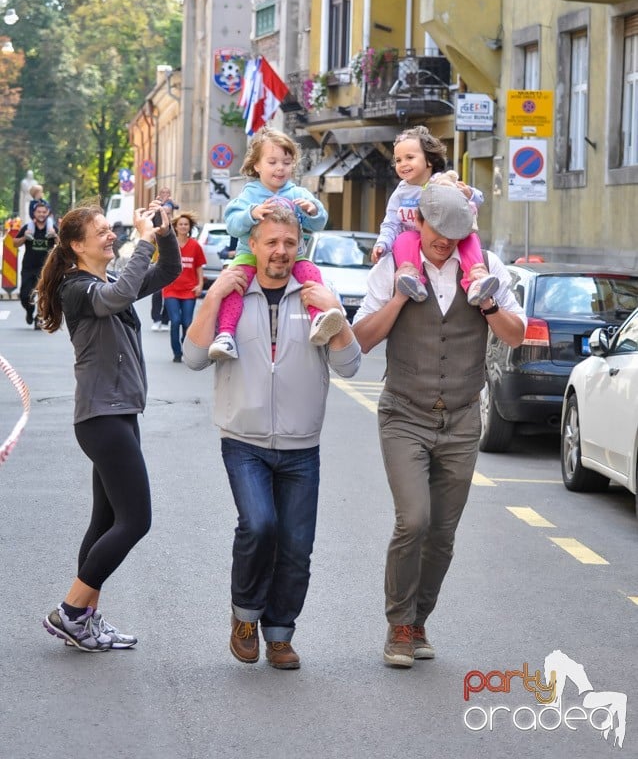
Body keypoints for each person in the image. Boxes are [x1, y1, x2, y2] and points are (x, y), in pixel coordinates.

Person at [352, 184, 526, 668]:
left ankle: (420, 618)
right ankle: (398, 625)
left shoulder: (487, 269)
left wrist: (489, 305)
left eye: (456, 234)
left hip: (463, 418)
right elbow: (361, 339)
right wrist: (399, 300)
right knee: (415, 520)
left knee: (443, 533)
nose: (445, 242)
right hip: (404, 413)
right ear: (419, 224)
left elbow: (516, 335)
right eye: (437, 232)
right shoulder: (393, 265)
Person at [183, 204, 361, 669]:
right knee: (259, 526)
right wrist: (212, 296)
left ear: (299, 244)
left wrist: (336, 315)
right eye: (271, 242)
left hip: (303, 445)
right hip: (244, 439)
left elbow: (350, 365)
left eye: (289, 242)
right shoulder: (234, 294)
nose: (280, 251)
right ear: (254, 246)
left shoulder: (317, 293)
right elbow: (195, 358)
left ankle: (280, 633)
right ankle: (244, 617)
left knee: (297, 546)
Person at [36, 200, 181, 652]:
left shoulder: (108, 280)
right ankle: (72, 611)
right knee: (136, 520)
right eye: (100, 231)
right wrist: (141, 243)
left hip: (118, 415)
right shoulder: (76, 288)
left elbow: (168, 272)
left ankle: (86, 619)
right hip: (101, 418)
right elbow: (116, 300)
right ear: (77, 245)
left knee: (106, 520)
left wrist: (164, 232)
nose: (109, 234)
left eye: (108, 227)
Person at [207, 127, 343, 361]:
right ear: (257, 165)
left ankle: (318, 318)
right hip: (248, 255)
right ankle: (226, 335)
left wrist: (313, 210)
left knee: (311, 273)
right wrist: (252, 213)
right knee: (234, 283)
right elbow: (232, 224)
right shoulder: (249, 194)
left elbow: (320, 223)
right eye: (272, 162)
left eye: (286, 162)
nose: (280, 168)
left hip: (294, 256)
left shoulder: (298, 192)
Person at [372, 126, 500, 307]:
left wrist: (468, 192)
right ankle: (413, 280)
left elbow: (477, 200)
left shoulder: (443, 182)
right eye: (398, 160)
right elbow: (390, 223)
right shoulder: (400, 193)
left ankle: (475, 281)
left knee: (470, 239)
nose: (402, 164)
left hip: (449, 234)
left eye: (410, 157)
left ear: (429, 160)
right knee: (404, 239)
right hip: (415, 241)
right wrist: (382, 243)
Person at [162, 211, 205, 362]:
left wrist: (200, 284)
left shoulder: (195, 246)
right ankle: (177, 352)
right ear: (175, 226)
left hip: (189, 290)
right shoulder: (170, 244)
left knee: (187, 322)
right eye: (180, 224)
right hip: (171, 289)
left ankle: (186, 349)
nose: (183, 226)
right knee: (175, 321)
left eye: (186, 224)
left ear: (190, 227)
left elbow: (199, 267)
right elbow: (162, 265)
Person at [13, 200, 58, 326]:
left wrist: (54, 236)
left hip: (46, 268)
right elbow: (15, 243)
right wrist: (24, 238)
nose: (41, 214)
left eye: (44, 212)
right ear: (34, 213)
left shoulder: (52, 228)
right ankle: (29, 310)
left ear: (48, 213)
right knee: (24, 296)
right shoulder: (28, 228)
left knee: (44, 294)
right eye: (39, 212)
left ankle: (39, 317)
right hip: (28, 267)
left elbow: (62, 245)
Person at [150, 188, 178, 330]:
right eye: (164, 213)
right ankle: (156, 319)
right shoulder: (156, 227)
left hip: (171, 265)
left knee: (169, 293)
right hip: (157, 263)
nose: (166, 215)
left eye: (168, 213)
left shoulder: (176, 227)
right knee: (156, 293)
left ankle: (166, 320)